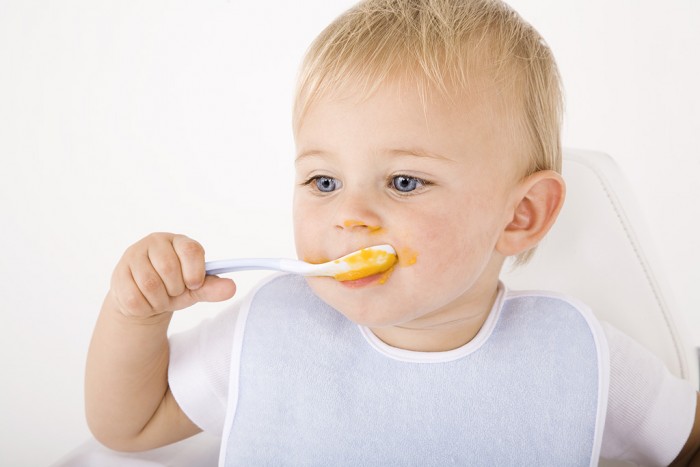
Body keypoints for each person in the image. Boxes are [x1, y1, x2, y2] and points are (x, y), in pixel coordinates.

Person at [85, 0, 700, 464]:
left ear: (520, 216)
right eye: (323, 182)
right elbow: (129, 427)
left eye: (404, 182)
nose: (348, 215)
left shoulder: (580, 354)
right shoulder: (269, 328)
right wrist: (136, 316)